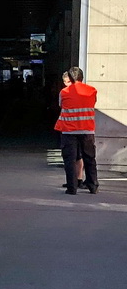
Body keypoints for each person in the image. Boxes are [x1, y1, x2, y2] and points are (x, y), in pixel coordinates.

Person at [55, 66, 98, 195]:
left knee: (70, 159)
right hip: (87, 130)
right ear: (82, 77)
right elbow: (93, 104)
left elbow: (61, 105)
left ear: (71, 78)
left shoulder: (64, 92)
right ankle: (93, 186)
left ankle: (72, 188)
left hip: (69, 131)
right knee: (90, 158)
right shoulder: (92, 90)